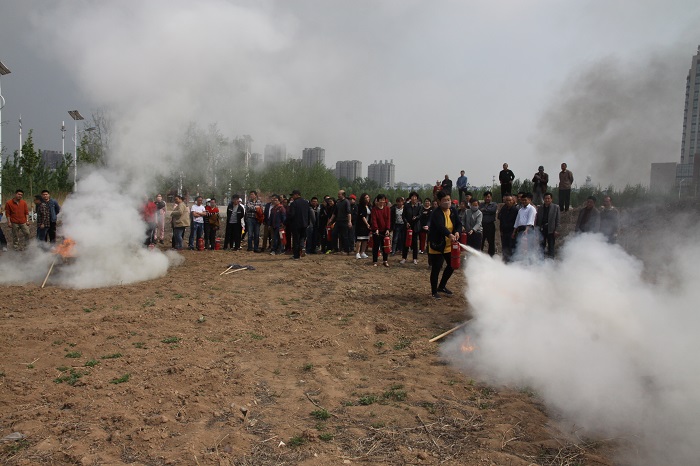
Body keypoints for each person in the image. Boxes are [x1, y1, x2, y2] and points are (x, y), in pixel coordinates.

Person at [428, 191, 461, 299]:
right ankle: (434, 292)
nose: (447, 202)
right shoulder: (436, 213)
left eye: (449, 199)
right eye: (444, 200)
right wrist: (449, 234)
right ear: (439, 201)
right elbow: (440, 226)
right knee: (436, 268)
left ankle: (441, 286)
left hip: (448, 245)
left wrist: (457, 232)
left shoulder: (453, 210)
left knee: (452, 265)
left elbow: (458, 223)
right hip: (437, 244)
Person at [535, 192, 560, 258]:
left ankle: (551, 261)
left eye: (548, 198)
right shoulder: (540, 208)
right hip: (542, 229)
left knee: (551, 246)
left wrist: (556, 230)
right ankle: (541, 260)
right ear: (543, 199)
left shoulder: (555, 207)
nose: (547, 200)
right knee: (541, 246)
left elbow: (557, 220)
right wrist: (537, 229)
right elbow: (538, 219)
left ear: (551, 199)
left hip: (551, 230)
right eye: (545, 198)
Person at [287, 189, 310, 260]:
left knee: (296, 240)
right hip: (304, 224)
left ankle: (296, 255)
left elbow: (292, 214)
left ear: (297, 195)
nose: (292, 197)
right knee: (302, 237)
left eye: (293, 195)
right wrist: (308, 222)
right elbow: (308, 213)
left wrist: (287, 221)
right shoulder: (306, 202)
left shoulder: (294, 203)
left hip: (296, 224)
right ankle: (302, 247)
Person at [370, 193, 391, 267]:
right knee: (376, 246)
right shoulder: (374, 209)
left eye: (383, 200)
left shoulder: (387, 209)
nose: (382, 201)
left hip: (385, 230)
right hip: (377, 231)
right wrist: (376, 229)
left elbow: (388, 219)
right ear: (378, 200)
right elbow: (374, 220)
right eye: (381, 200)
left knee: (385, 246)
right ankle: (375, 261)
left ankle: (385, 260)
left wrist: (388, 229)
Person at [400, 192, 421, 265]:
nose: (414, 198)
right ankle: (404, 258)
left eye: (415, 197)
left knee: (415, 243)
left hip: (415, 227)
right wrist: (406, 222)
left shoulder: (419, 206)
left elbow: (420, 215)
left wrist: (416, 217)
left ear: (417, 198)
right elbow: (403, 216)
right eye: (412, 197)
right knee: (406, 243)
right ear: (410, 198)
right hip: (407, 226)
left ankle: (415, 258)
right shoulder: (406, 205)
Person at [329, 190, 352, 255]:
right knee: (334, 233)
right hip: (338, 221)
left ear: (343, 195)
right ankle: (335, 248)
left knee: (344, 236)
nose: (338, 195)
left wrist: (349, 221)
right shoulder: (338, 202)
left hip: (344, 221)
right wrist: (331, 220)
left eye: (339, 194)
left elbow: (349, 212)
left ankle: (346, 250)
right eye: (338, 194)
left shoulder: (346, 202)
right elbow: (335, 213)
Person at [497, 194, 518, 262]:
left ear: (513, 201)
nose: (508, 202)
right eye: (507, 200)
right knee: (504, 247)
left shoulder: (515, 210)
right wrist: (501, 230)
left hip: (512, 232)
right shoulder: (503, 209)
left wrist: (514, 232)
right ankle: (505, 261)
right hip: (504, 231)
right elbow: (501, 219)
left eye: (510, 200)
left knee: (511, 247)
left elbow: (516, 222)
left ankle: (512, 262)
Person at [479, 191, 498, 257]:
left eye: (488, 197)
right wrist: (487, 211)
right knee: (481, 241)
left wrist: (484, 210)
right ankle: (479, 255)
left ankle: (491, 256)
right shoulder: (481, 204)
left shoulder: (494, 204)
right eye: (486, 197)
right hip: (482, 225)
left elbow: (493, 211)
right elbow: (480, 211)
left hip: (490, 225)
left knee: (491, 241)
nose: (487, 198)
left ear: (491, 197)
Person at [355, 193, 371, 259]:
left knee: (365, 239)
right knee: (360, 239)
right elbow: (362, 216)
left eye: (368, 197)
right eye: (366, 197)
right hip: (361, 224)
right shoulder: (360, 206)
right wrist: (366, 223)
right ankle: (357, 253)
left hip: (367, 225)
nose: (367, 199)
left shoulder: (369, 206)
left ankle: (362, 252)